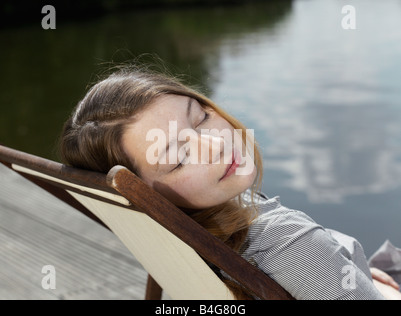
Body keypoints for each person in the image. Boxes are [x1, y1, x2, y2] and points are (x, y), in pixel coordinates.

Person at [59, 65, 401, 300]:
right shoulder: (287, 243)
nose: (215, 145)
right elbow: (301, 257)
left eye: (201, 117)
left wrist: (344, 277)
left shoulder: (197, 240)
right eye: (179, 158)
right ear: (147, 195)